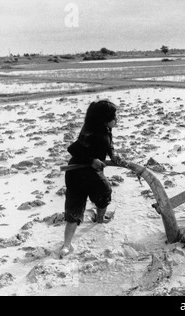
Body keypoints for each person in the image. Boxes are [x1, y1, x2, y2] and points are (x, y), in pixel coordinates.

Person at [60, 100, 123, 258]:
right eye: (114, 116)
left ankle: (99, 219)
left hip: (89, 171)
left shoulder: (104, 128)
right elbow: (72, 149)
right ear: (104, 118)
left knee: (102, 193)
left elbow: (109, 145)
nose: (117, 119)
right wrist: (91, 160)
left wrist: (113, 155)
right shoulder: (92, 132)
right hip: (79, 171)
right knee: (79, 205)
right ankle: (66, 245)